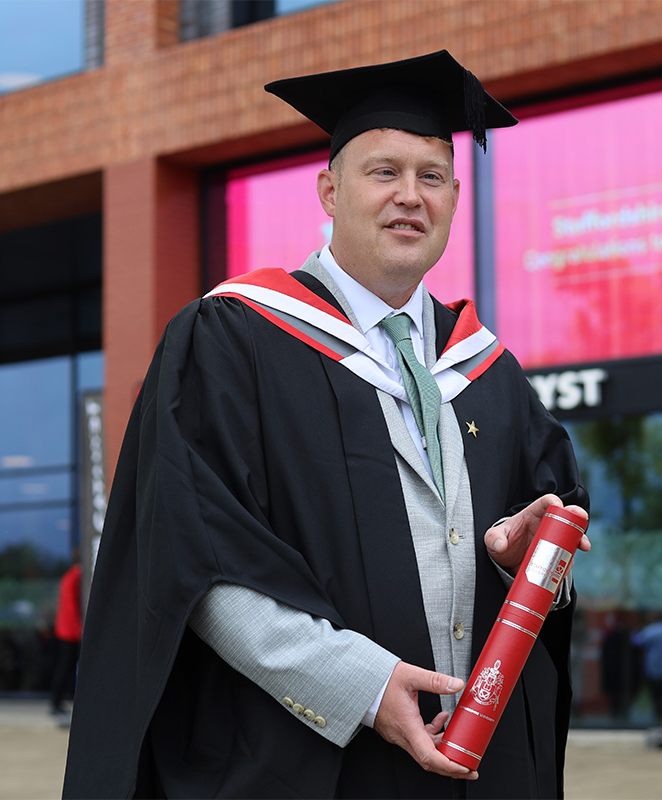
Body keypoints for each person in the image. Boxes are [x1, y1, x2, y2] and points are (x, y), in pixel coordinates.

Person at [63, 51, 589, 799]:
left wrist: (520, 563)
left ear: (454, 197)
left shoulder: (491, 372)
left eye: (431, 176)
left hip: (486, 768)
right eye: (384, 172)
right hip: (313, 761)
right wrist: (364, 688)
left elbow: (550, 571)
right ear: (330, 189)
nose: (410, 196)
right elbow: (190, 558)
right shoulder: (234, 340)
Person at [49, 549, 82, 717]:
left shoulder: (69, 576)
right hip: (69, 631)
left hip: (64, 629)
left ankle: (58, 701)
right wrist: (78, 628)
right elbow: (70, 605)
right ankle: (56, 702)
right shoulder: (76, 576)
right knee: (65, 667)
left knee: (65, 667)